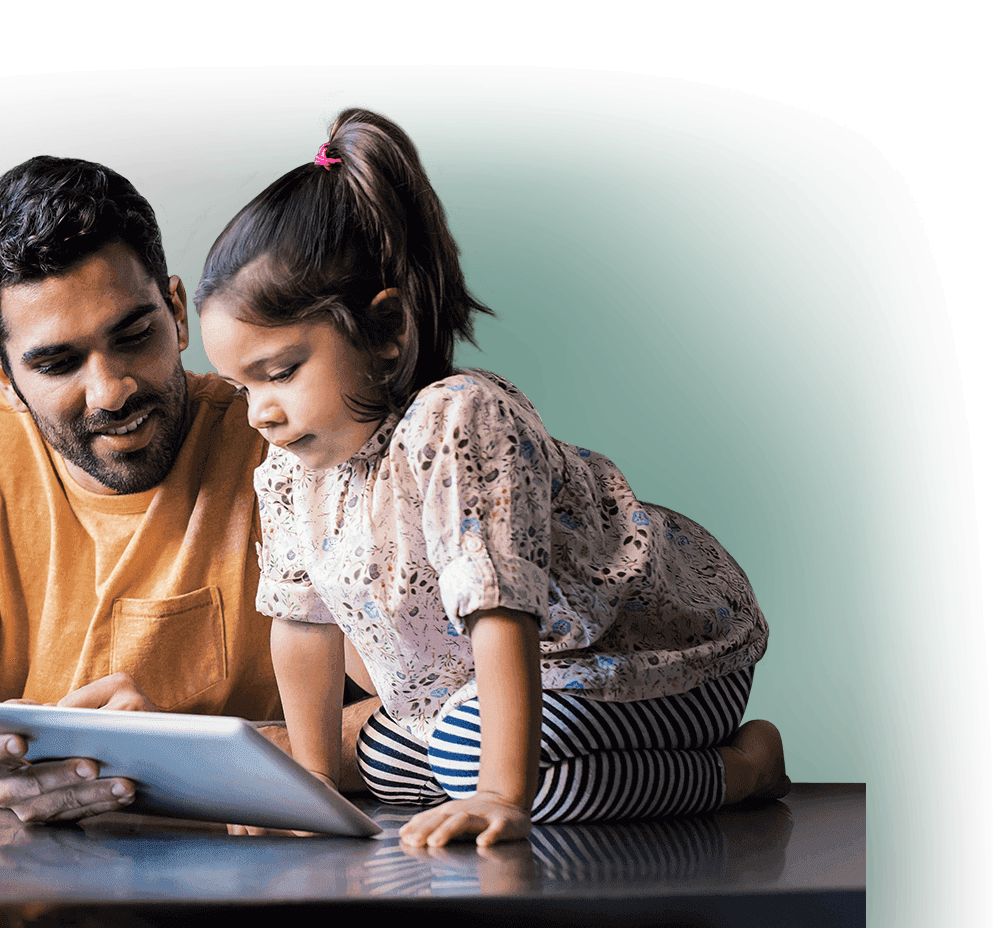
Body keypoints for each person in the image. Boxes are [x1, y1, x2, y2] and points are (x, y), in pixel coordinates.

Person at [195, 109, 791, 849]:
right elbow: (302, 624)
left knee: (471, 755)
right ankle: (484, 761)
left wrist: (503, 794)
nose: (260, 413)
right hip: (483, 699)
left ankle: (742, 768)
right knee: (382, 757)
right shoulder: (291, 471)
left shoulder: (458, 420)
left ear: (385, 331)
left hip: (650, 657)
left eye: (279, 373)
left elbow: (501, 610)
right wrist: (312, 782)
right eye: (240, 388)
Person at [0, 155, 377, 858]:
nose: (110, 391)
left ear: (175, 310)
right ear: (4, 376)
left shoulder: (280, 435)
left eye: (134, 334)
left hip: (244, 876)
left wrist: (167, 758)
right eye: (57, 364)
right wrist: (1, 759)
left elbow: (430, 713)